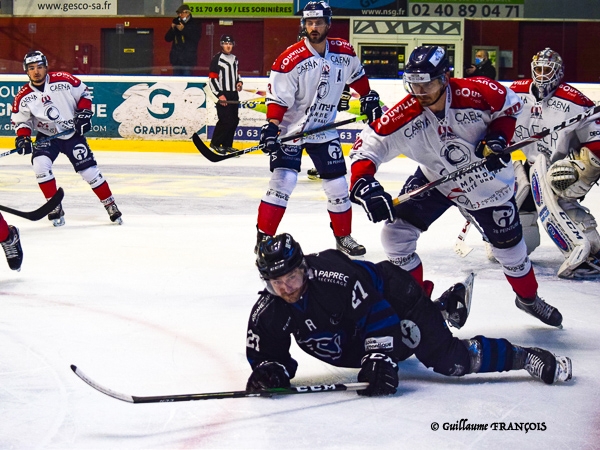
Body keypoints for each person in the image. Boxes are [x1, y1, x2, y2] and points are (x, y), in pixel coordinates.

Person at [348, 45, 563, 329]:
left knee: (511, 253)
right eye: (414, 84)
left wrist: (497, 138)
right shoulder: (405, 113)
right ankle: (419, 303)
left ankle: (528, 298)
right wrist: (365, 184)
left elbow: (509, 107)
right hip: (437, 179)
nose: (420, 91)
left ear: (445, 77)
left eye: (427, 83)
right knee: (395, 235)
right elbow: (368, 147)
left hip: (488, 184)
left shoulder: (477, 92)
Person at [245, 233, 572, 396]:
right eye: (277, 282)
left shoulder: (334, 278)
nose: (286, 288)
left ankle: (525, 356)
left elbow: (378, 312)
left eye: (291, 278)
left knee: (448, 359)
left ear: (303, 269)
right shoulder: (268, 310)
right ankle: (442, 309)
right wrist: (269, 372)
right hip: (355, 329)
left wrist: (379, 356)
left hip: (394, 297)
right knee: (401, 346)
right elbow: (267, 354)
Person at [256, 1, 382, 257]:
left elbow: (357, 75)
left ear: (328, 23)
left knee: (337, 185)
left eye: (319, 22)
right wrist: (272, 127)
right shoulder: (289, 60)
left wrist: (368, 96)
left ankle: (343, 237)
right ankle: (264, 241)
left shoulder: (344, 51)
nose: (314, 27)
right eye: (309, 23)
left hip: (324, 129)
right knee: (283, 181)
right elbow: (278, 100)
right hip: (292, 130)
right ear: (304, 25)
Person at [508, 48, 600, 279]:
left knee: (559, 187)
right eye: (537, 69)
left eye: (547, 70)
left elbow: (596, 138)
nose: (541, 74)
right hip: (521, 165)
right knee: (513, 241)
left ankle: (591, 250)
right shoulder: (515, 93)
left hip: (556, 170)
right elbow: (494, 125)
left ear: (558, 73)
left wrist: (587, 166)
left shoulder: (574, 100)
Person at [11, 51, 122, 226]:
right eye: (31, 68)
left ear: (46, 67)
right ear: (26, 71)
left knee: (89, 172)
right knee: (40, 165)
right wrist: (23, 138)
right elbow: (21, 121)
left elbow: (84, 94)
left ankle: (110, 204)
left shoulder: (64, 80)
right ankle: (54, 206)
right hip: (48, 137)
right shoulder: (23, 96)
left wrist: (84, 114)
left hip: (72, 135)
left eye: (40, 67)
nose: (36, 71)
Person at [208, 35, 243, 155]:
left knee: (234, 120)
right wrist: (219, 95)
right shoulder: (217, 59)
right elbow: (212, 79)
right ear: (221, 45)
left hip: (233, 94)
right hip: (223, 93)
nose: (228, 46)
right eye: (225, 43)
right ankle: (215, 143)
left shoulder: (235, 58)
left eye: (230, 43)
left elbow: (237, 74)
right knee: (225, 120)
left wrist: (239, 82)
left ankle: (227, 145)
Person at [164, 4, 201, 76]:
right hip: (176, 58)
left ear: (188, 13)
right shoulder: (176, 22)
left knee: (186, 78)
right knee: (176, 80)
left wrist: (183, 29)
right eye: (178, 13)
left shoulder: (195, 23)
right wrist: (172, 29)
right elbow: (167, 38)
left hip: (188, 58)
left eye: (182, 13)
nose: (180, 15)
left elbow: (196, 37)